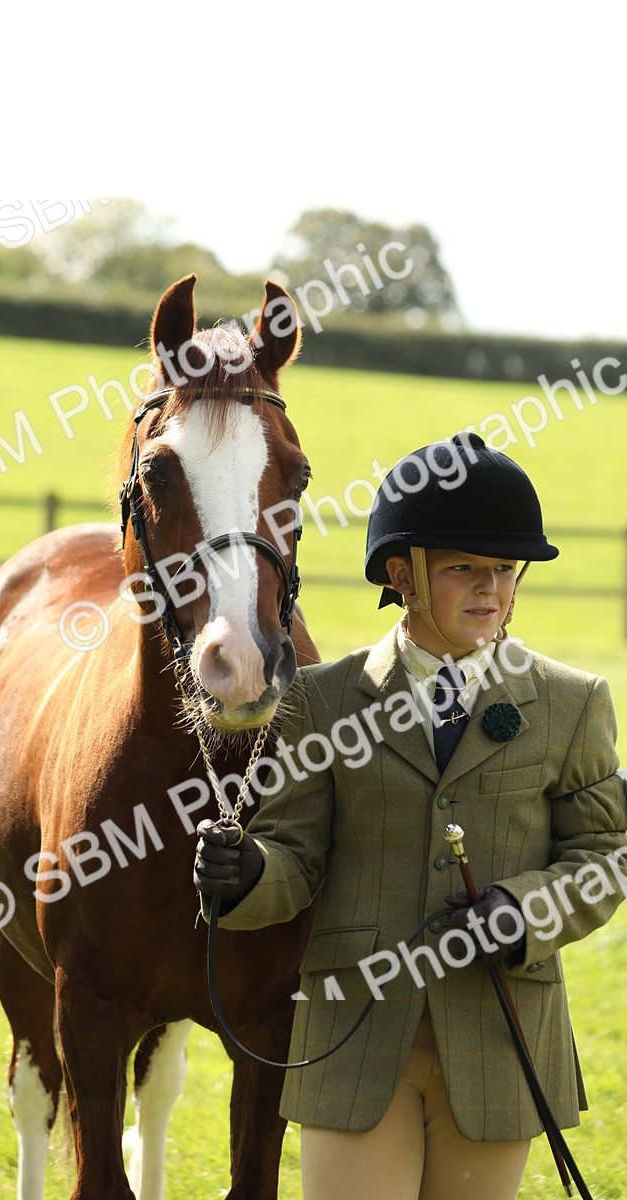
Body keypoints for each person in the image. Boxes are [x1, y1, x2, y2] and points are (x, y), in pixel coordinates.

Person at [194, 432, 627, 1200]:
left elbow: (602, 861)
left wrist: (521, 912)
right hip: (355, 1037)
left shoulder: (573, 702)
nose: (490, 589)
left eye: (504, 569)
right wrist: (248, 875)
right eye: (464, 567)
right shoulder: (322, 700)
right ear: (403, 573)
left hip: (500, 1034)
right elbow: (294, 858)